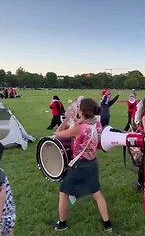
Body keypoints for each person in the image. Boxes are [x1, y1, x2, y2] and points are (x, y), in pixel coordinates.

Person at [54, 98, 112, 232]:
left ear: (82, 110)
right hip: (92, 164)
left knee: (64, 193)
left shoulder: (79, 128)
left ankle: (62, 224)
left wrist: (66, 120)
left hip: (78, 166)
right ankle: (107, 224)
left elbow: (58, 134)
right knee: (97, 194)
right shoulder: (97, 125)